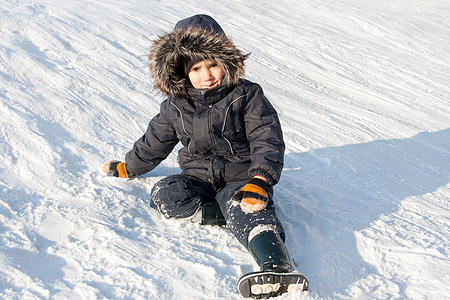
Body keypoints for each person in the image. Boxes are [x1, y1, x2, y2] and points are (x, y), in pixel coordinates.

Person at [103, 14, 308, 298]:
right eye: (197, 68)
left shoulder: (247, 95)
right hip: (199, 177)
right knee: (164, 193)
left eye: (213, 65)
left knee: (249, 208)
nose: (206, 75)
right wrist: (130, 166)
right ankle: (225, 213)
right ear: (181, 71)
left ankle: (277, 266)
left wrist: (260, 180)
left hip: (242, 177)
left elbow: (267, 138)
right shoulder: (176, 105)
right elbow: (155, 141)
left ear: (226, 63)